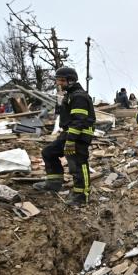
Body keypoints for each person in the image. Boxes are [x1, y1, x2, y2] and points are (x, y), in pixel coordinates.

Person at [32, 67, 95, 206]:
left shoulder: (79, 96)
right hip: (69, 132)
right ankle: (53, 183)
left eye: (61, 80)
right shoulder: (70, 95)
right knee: (48, 152)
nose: (58, 83)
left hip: (79, 135)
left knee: (78, 163)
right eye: (57, 80)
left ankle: (81, 195)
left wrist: (71, 141)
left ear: (70, 80)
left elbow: (79, 120)